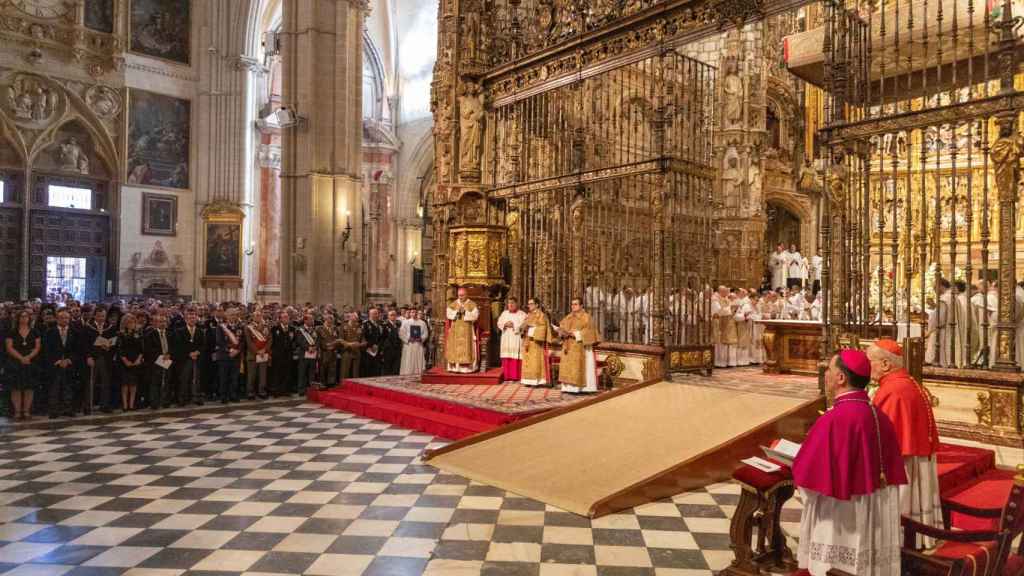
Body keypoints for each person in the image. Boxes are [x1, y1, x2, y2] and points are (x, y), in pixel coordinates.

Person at [793, 348, 907, 576]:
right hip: (874, 515)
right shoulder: (878, 415)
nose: (825, 374)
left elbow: (808, 480)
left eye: (829, 370)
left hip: (841, 518)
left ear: (841, 378)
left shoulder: (833, 419)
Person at [868, 339, 942, 547]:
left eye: (870, 361)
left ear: (885, 364)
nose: (867, 366)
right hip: (916, 455)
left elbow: (882, 440)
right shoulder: (906, 382)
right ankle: (917, 536)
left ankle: (899, 541)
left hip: (903, 463)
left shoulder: (893, 391)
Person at [557, 297, 600, 393]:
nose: (573, 306)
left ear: (581, 305)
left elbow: (589, 331)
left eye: (576, 304)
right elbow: (562, 326)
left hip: (580, 347)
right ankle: (567, 388)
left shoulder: (586, 317)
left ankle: (582, 389)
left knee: (579, 367)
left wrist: (575, 334)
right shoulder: (568, 317)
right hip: (568, 346)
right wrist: (561, 331)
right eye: (572, 304)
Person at [43, 309, 78, 418]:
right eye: (62, 318)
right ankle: (54, 410)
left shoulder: (74, 332)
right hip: (55, 364)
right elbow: (47, 349)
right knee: (54, 387)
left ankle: (68, 409)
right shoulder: (50, 332)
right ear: (57, 319)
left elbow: (77, 349)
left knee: (68, 386)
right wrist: (57, 360)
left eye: (66, 318)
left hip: (69, 363)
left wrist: (68, 360)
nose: (64, 320)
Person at [5, 310, 40, 420]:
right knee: (16, 388)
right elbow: (9, 347)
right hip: (15, 361)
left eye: (26, 316)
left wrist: (28, 357)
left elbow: (37, 347)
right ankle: (17, 411)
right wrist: (21, 358)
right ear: (18, 318)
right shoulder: (12, 332)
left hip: (30, 360)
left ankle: (26, 411)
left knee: (29, 387)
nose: (24, 318)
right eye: (22, 316)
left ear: (29, 318)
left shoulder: (35, 332)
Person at [82, 306, 117, 413]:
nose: (101, 318)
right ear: (95, 316)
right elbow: (85, 344)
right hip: (93, 357)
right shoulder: (88, 327)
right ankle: (88, 406)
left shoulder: (110, 327)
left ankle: (104, 405)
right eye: (99, 316)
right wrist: (88, 356)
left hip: (105, 358)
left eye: (103, 316)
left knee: (106, 382)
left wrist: (109, 346)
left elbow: (113, 342)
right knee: (90, 382)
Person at [174, 308, 205, 406]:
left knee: (196, 378)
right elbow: (179, 345)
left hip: (197, 357)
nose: (192, 320)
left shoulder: (200, 331)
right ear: (186, 320)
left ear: (196, 319)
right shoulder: (180, 331)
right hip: (185, 358)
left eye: (193, 318)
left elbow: (203, 344)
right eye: (190, 318)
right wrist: (189, 353)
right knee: (184, 378)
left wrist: (197, 352)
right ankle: (183, 399)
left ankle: (197, 397)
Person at [521, 298, 554, 387]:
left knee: (535, 362)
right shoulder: (528, 315)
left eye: (531, 304)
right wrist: (523, 328)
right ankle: (527, 380)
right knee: (528, 362)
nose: (529, 306)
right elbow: (524, 325)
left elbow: (543, 328)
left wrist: (531, 328)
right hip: (528, 341)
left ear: (537, 305)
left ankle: (536, 381)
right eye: (528, 304)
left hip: (536, 342)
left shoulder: (541, 315)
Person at [143, 312, 173, 410]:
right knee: (155, 382)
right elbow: (148, 349)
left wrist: (169, 355)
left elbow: (174, 346)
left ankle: (165, 401)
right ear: (156, 323)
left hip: (168, 359)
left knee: (167, 381)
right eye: (160, 322)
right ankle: (154, 402)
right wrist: (160, 356)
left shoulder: (170, 333)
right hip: (156, 361)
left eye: (164, 321)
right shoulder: (150, 334)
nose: (162, 323)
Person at [445, 287, 479, 373]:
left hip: (467, 330)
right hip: (455, 330)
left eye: (462, 295)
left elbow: (475, 316)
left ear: (466, 295)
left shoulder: (472, 304)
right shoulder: (453, 304)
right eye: (459, 295)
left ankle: (466, 368)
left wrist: (465, 312)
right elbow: (448, 313)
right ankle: (455, 367)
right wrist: (456, 312)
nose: (460, 297)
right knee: (454, 348)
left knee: (467, 348)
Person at [215, 307, 243, 403]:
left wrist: (238, 350)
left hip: (236, 356)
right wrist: (230, 350)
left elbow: (242, 341)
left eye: (235, 314)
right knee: (224, 377)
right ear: (226, 315)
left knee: (234, 377)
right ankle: (224, 396)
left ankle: (233, 395)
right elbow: (219, 341)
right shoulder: (221, 326)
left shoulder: (239, 326)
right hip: (224, 356)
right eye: (231, 314)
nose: (233, 316)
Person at [497, 297, 527, 382]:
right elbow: (499, 323)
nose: (510, 305)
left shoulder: (522, 314)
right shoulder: (504, 313)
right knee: (507, 356)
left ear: (517, 304)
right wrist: (505, 324)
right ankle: (507, 376)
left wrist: (514, 325)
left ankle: (516, 376)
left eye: (512, 303)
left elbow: (524, 326)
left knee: (516, 356)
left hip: (516, 338)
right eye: (509, 303)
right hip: (506, 337)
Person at [118, 313, 144, 411]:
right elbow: (120, 349)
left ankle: (131, 404)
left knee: (133, 384)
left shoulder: (138, 333)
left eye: (132, 322)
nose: (131, 324)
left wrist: (138, 359)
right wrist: (125, 360)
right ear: (124, 323)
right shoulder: (120, 333)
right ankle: (125, 404)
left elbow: (142, 348)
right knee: (125, 384)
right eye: (128, 322)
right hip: (124, 361)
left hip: (136, 360)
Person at [270, 310, 295, 395]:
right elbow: (272, 342)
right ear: (280, 319)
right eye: (284, 317)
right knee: (277, 373)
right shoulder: (275, 329)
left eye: (287, 317)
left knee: (287, 372)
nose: (287, 319)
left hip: (288, 354)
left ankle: (286, 390)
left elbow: (294, 341)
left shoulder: (292, 329)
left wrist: (292, 348)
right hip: (278, 354)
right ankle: (276, 390)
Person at [295, 312, 319, 394]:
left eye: (312, 319)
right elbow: (299, 341)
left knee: (311, 372)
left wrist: (315, 347)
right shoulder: (299, 330)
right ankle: (301, 390)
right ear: (305, 320)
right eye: (310, 319)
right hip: (304, 353)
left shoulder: (314, 329)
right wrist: (308, 348)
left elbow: (317, 340)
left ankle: (311, 389)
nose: (312, 321)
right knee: (302, 372)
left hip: (313, 354)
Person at [399, 309, 428, 375]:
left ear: (417, 313)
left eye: (415, 312)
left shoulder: (422, 323)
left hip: (418, 344)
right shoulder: (405, 322)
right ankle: (407, 373)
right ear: (410, 313)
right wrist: (408, 339)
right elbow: (401, 333)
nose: (414, 313)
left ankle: (418, 373)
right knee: (408, 360)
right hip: (409, 344)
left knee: (418, 360)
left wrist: (421, 339)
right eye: (412, 312)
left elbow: (426, 333)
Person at [339, 311, 363, 380]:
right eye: (355, 317)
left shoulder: (359, 327)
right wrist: (349, 344)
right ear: (350, 317)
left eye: (357, 317)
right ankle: (344, 386)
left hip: (357, 351)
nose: (357, 319)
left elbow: (363, 339)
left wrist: (360, 344)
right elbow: (340, 339)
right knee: (345, 371)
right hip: (347, 351)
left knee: (356, 372)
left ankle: (355, 386)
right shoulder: (343, 326)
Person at [361, 308, 385, 377]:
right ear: (370, 315)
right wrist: (371, 345)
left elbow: (382, 337)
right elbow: (364, 336)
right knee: (368, 368)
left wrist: (378, 345)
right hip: (368, 349)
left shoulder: (380, 324)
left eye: (377, 313)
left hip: (378, 349)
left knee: (377, 367)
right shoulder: (365, 324)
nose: (376, 315)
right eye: (374, 314)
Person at [380, 309, 403, 376]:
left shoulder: (399, 324)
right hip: (388, 349)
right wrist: (382, 349)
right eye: (391, 315)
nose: (393, 316)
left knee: (396, 367)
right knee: (387, 367)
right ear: (388, 316)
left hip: (397, 349)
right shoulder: (384, 325)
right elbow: (382, 338)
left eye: (394, 315)